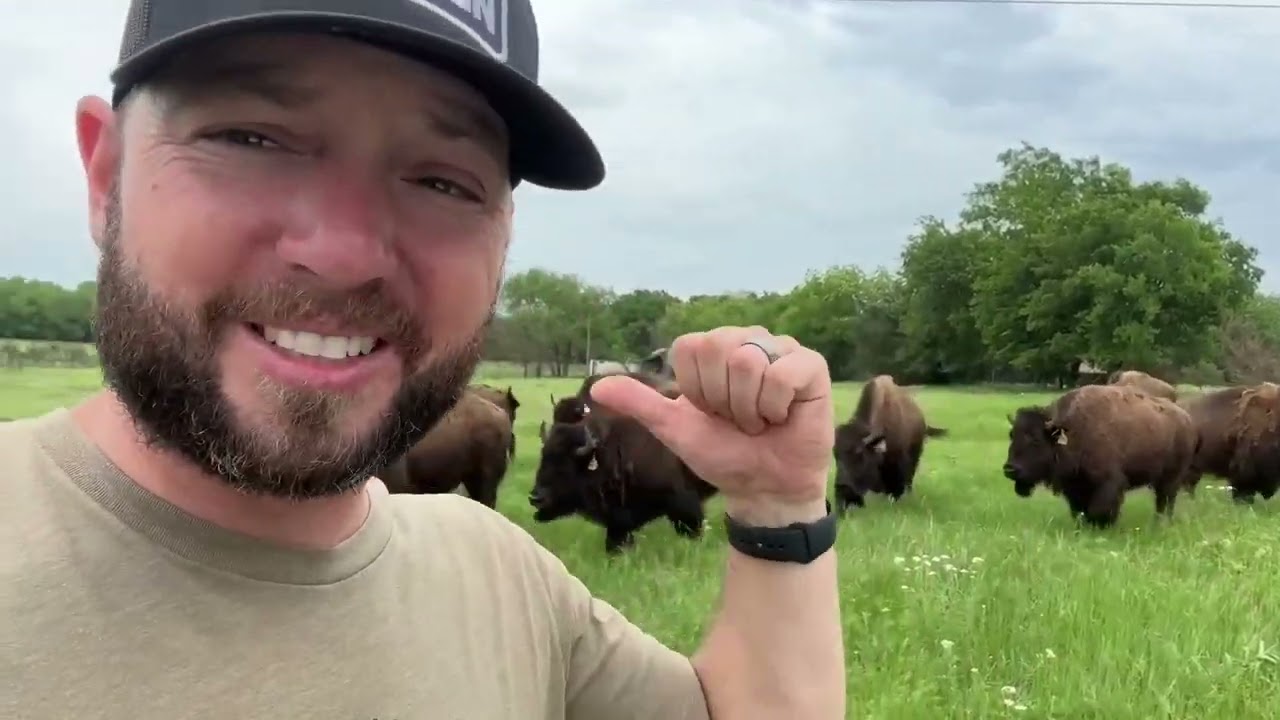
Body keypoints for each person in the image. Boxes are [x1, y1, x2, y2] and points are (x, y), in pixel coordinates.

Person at [0, 1, 846, 718]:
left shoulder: (499, 575)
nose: (345, 251)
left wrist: (781, 502)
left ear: (505, 236)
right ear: (104, 175)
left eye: (445, 182)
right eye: (251, 137)